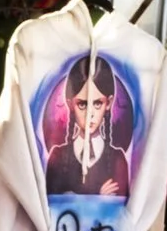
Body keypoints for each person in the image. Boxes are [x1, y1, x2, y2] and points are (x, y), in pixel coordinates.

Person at [43, 54, 131, 199]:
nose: (90, 114)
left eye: (97, 103)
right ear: (70, 104)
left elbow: (118, 207)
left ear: (108, 103)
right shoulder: (57, 156)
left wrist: (71, 195)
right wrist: (98, 196)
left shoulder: (118, 159)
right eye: (82, 104)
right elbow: (50, 202)